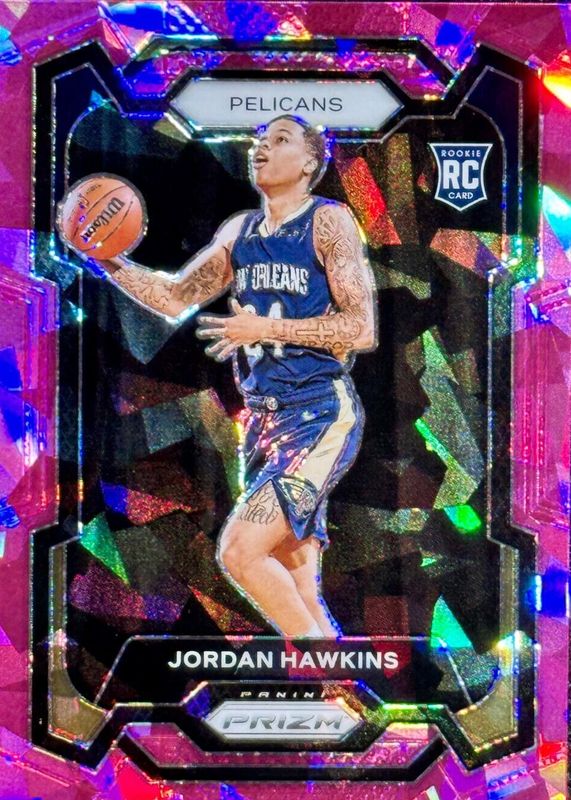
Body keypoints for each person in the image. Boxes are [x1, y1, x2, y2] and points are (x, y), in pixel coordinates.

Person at [67, 115, 377, 638]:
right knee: (300, 590)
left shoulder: (328, 221)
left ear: (309, 162)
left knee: (239, 552)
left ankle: (322, 672)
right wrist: (107, 261)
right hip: (261, 426)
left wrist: (265, 327)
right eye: (259, 139)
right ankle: (339, 685)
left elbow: (361, 327)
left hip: (318, 412)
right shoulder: (240, 231)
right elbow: (174, 298)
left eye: (279, 139)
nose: (261, 147)